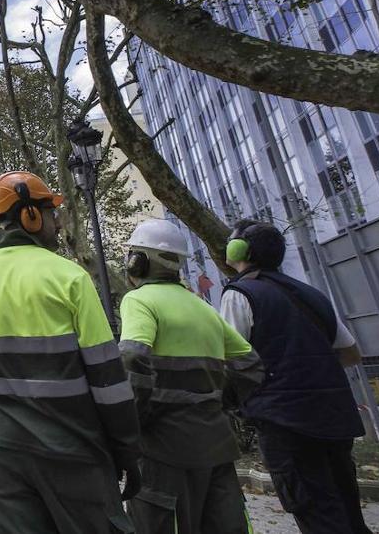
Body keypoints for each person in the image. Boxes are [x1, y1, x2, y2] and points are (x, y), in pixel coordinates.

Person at [0, 171, 141, 534]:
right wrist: (128, 450)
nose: (57, 223)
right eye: (52, 212)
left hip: (3, 451)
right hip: (72, 444)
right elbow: (107, 379)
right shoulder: (69, 277)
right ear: (30, 216)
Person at [219, 219, 371, 534]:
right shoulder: (310, 293)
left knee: (316, 512)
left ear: (239, 250)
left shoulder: (239, 294)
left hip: (285, 422)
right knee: (347, 508)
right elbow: (351, 353)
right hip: (335, 416)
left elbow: (231, 362)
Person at [117, 220, 265, 534]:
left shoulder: (139, 301)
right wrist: (216, 401)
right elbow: (250, 364)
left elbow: (132, 356)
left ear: (137, 260)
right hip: (216, 444)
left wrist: (131, 424)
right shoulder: (203, 308)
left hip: (162, 449)